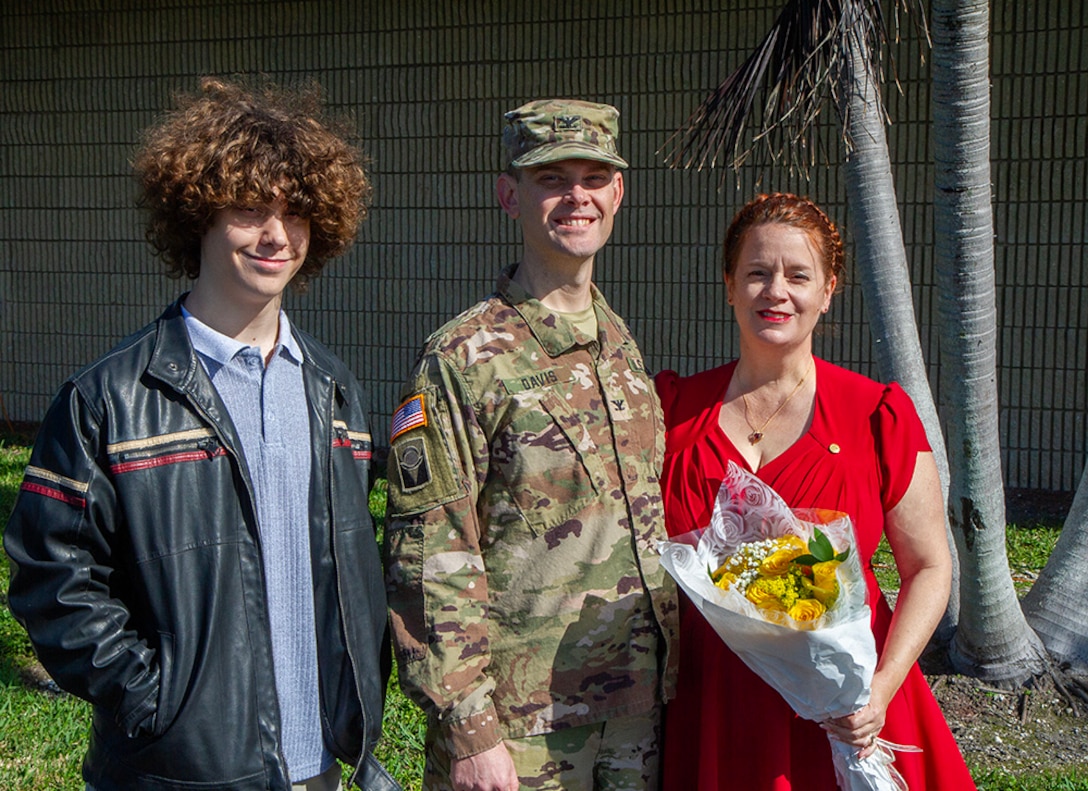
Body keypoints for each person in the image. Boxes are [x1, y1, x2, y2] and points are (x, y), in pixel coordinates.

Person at [4, 78, 397, 791]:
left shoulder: (334, 390)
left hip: (322, 768)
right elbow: (50, 576)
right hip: (177, 772)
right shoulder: (110, 398)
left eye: (297, 210)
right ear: (198, 216)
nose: (277, 233)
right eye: (250, 207)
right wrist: (159, 701)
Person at [383, 99, 679, 791]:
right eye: (551, 178)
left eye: (594, 176)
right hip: (522, 729)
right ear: (509, 194)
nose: (577, 196)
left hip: (638, 712)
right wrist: (470, 728)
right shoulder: (460, 358)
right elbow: (427, 549)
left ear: (618, 193)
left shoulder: (620, 345)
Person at [656, 193, 976, 790]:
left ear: (828, 291)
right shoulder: (672, 409)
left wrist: (879, 690)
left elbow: (930, 566)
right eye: (756, 272)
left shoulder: (878, 414)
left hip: (847, 707)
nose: (776, 291)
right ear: (729, 286)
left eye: (798, 275)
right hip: (715, 702)